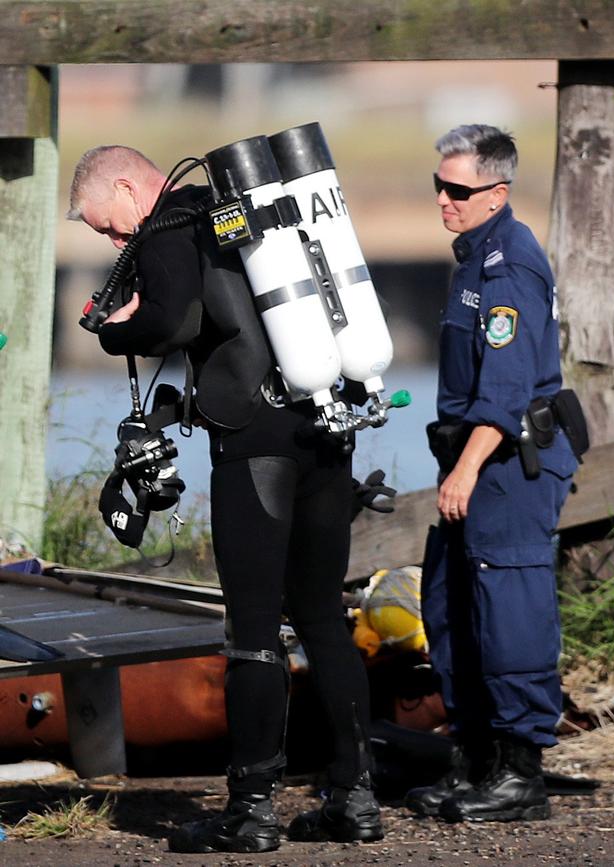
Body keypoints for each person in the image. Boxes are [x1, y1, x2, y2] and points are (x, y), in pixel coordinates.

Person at [68, 145, 385, 853]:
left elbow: (170, 323)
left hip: (256, 447)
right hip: (325, 426)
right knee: (323, 616)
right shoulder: (240, 211)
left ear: (127, 187)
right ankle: (354, 796)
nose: (118, 241)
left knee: (251, 630)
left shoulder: (169, 225)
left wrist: (110, 324)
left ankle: (251, 808)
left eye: (108, 227)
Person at [405, 125, 578, 824]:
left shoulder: (508, 266)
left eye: (457, 189)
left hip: (507, 464)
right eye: (438, 185)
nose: (443, 199)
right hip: (474, 461)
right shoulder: (475, 256)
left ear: (495, 193)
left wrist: (466, 469)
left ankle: (520, 771)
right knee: (451, 608)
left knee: (509, 613)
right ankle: (475, 760)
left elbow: (505, 394)